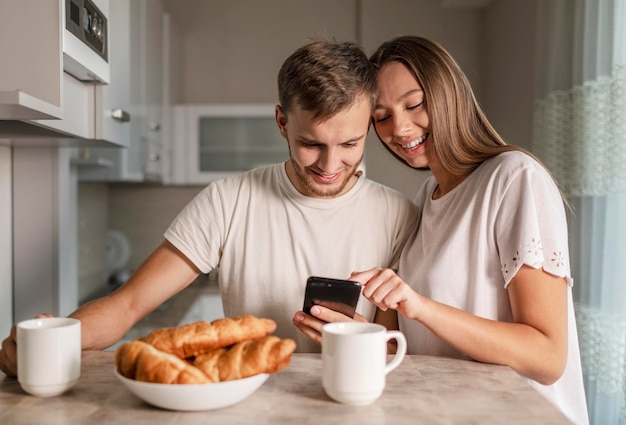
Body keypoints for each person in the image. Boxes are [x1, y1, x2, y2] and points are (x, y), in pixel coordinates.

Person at [0, 39, 419, 377]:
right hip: (243, 406)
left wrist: (359, 339)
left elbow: (398, 352)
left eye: (349, 144)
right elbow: (129, 304)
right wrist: (54, 342)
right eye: (312, 144)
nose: (330, 165)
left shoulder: (398, 216)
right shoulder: (228, 201)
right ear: (281, 123)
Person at [294, 35, 588, 425]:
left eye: (414, 104)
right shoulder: (423, 200)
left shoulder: (514, 178)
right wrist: (355, 336)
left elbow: (547, 358)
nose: (399, 128)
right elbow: (413, 351)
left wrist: (421, 306)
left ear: (449, 94)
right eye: (381, 117)